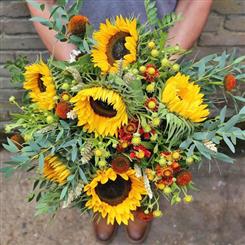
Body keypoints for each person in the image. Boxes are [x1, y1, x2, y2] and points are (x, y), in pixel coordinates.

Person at [27, 0, 213, 243]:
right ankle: (105, 200)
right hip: (80, 51)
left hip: (159, 51)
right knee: (92, 143)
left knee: (151, 145)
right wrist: (78, 64)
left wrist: (158, 67)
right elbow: (42, 2)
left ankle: (141, 199)